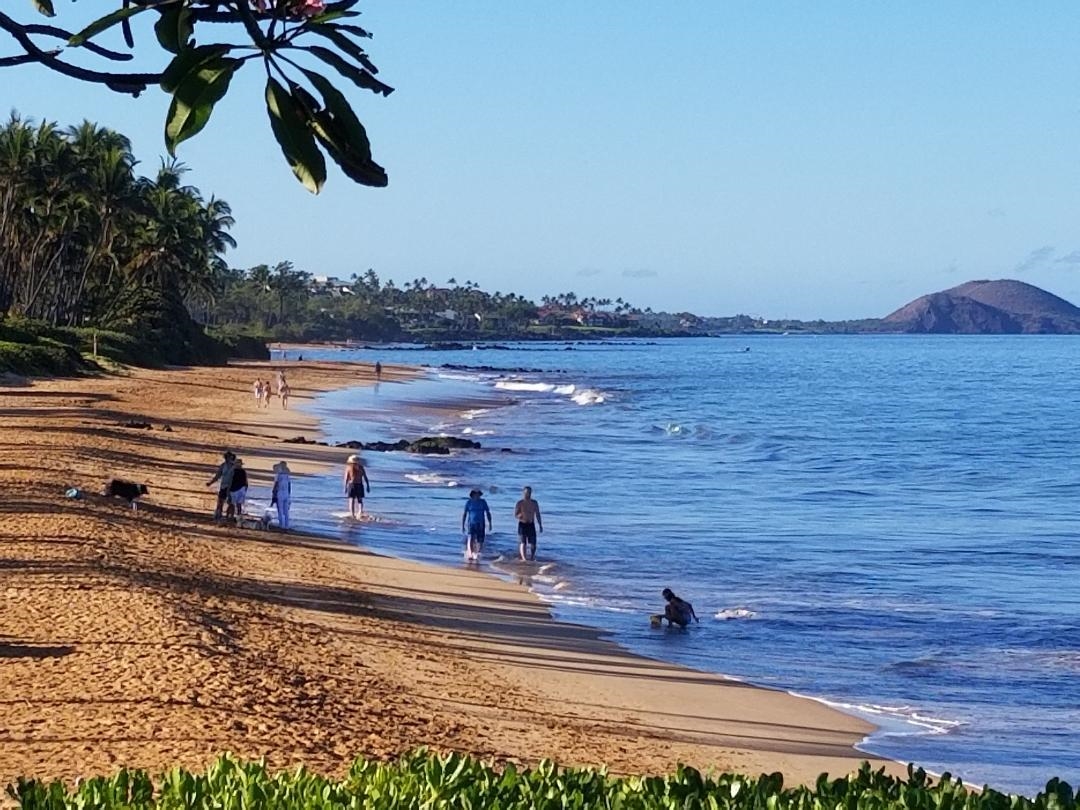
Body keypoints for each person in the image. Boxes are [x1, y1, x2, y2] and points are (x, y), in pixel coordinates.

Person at [461, 489, 492, 562]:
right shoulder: (469, 502)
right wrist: (462, 525)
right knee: (471, 538)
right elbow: (465, 514)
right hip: (471, 523)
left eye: (479, 494)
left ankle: (477, 553)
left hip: (481, 523)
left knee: (480, 539)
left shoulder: (483, 502)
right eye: (476, 494)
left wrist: (490, 523)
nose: (478, 496)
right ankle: (470, 553)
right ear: (473, 495)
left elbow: (488, 512)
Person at [514, 485, 543, 561]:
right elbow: (515, 514)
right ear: (523, 493)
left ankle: (532, 557)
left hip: (531, 524)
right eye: (526, 492)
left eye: (529, 492)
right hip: (522, 524)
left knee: (533, 543)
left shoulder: (534, 503)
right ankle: (524, 558)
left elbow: (537, 514)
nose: (528, 494)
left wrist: (540, 525)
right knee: (523, 542)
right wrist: (519, 516)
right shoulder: (520, 503)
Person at [206, 450, 237, 520]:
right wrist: (211, 483)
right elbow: (218, 475)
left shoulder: (235, 468)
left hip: (231, 487)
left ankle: (229, 517)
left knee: (231, 503)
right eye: (226, 458)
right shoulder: (223, 466)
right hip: (224, 486)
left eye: (228, 457)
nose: (227, 459)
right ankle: (218, 515)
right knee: (220, 501)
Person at [343, 454, 370, 518]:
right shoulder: (361, 467)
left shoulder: (349, 468)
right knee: (359, 499)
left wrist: (345, 487)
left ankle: (353, 514)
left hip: (352, 484)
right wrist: (368, 486)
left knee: (352, 500)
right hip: (359, 484)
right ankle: (360, 512)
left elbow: (346, 478)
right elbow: (365, 477)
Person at [272, 461, 292, 531]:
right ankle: (287, 525)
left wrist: (274, 493)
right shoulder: (287, 476)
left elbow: (276, 485)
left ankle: (281, 525)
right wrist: (289, 495)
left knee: (280, 509)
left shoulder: (278, 475)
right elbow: (289, 486)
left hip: (280, 492)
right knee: (286, 510)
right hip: (286, 493)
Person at [229, 458, 249, 523]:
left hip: (236, 489)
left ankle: (235, 517)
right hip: (239, 489)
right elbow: (246, 481)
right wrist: (246, 487)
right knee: (236, 504)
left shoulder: (234, 471)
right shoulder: (241, 471)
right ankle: (236, 517)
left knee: (234, 504)